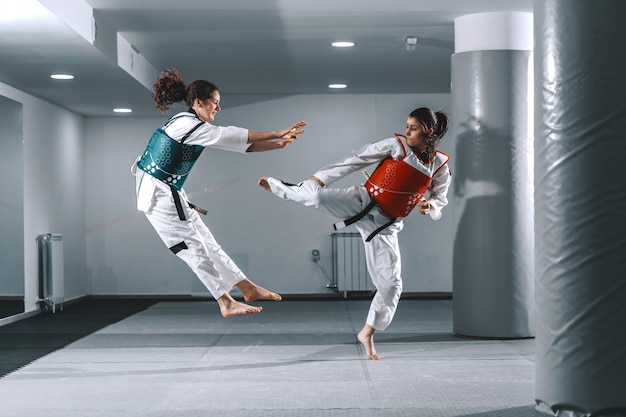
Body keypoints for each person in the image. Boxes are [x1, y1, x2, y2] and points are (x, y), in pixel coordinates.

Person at [259, 107, 451, 360]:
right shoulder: (397, 146)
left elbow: (440, 200)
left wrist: (431, 206)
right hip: (362, 200)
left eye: (413, 128)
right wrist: (318, 179)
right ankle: (283, 187)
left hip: (386, 225)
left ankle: (368, 331)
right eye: (406, 126)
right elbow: (355, 160)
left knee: (392, 286)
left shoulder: (439, 165)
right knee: (315, 195)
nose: (407, 132)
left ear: (430, 131)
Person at [131, 69, 306, 318]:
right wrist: (277, 133)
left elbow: (241, 145)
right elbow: (233, 135)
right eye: (215, 103)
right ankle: (224, 301)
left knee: (208, 243)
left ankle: (247, 288)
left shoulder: (190, 123)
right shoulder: (188, 125)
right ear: (199, 102)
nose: (218, 108)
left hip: (169, 191)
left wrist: (279, 144)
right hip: (158, 195)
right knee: (192, 247)